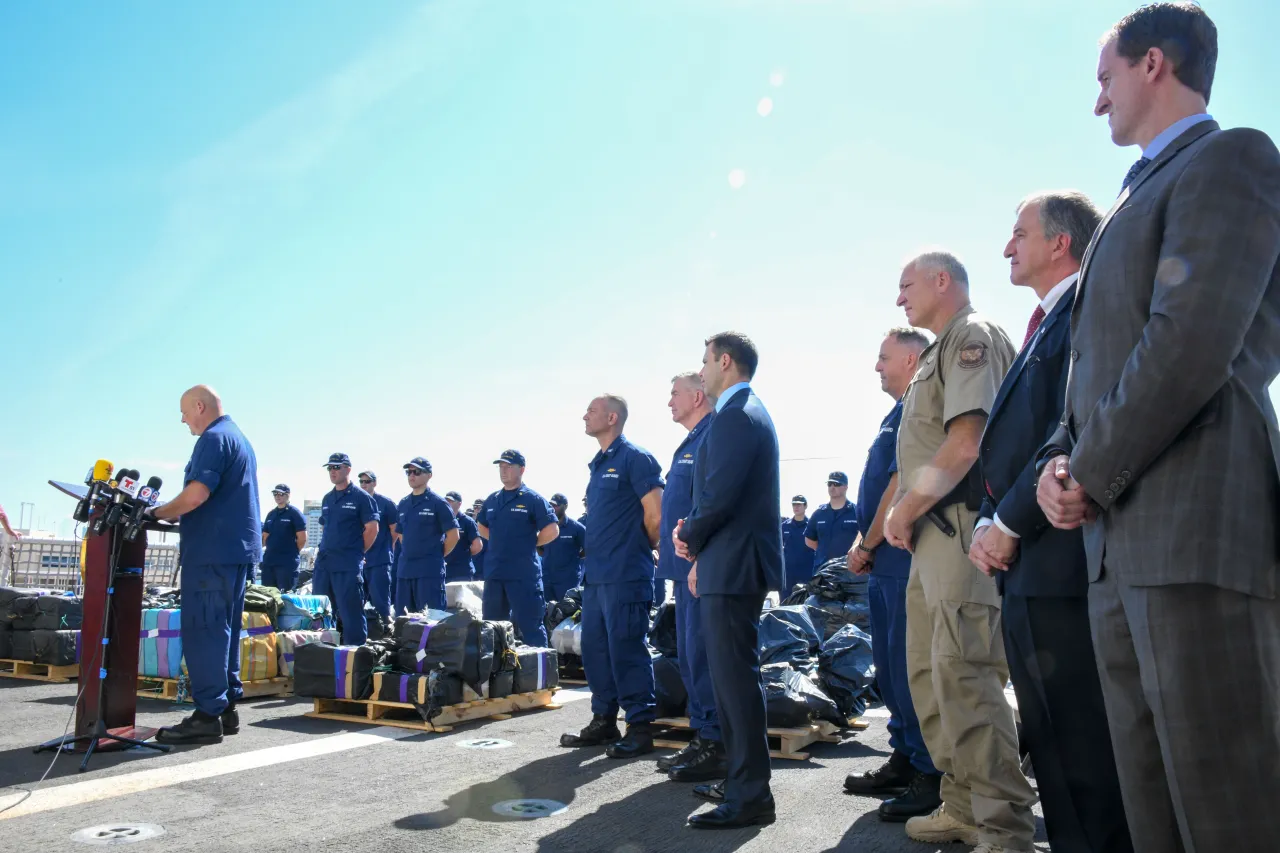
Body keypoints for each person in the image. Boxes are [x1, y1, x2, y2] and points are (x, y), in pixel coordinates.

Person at [1036, 6, 1279, 850]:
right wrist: (1060, 462)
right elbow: (1098, 368)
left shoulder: (1231, 157)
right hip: (1118, 545)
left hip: (1192, 535)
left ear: (1151, 65)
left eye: (1104, 79)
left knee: (1225, 810)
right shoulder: (1135, 193)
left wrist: (1084, 470)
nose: (1097, 102)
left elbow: (1189, 341)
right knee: (1154, 814)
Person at [972, 191, 1132, 853]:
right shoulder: (1046, 322)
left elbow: (1060, 437)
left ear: (1060, 242)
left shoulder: (1083, 313)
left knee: (1085, 764)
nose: (1008, 246)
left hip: (1059, 564)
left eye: (1019, 233)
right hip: (1031, 569)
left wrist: (1005, 522)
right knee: (1059, 760)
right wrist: (991, 519)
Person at [883, 251, 1034, 853]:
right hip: (932, 541)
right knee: (933, 677)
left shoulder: (972, 335)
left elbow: (967, 444)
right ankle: (964, 807)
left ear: (942, 281)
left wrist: (904, 508)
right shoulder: (938, 352)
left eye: (906, 285)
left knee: (968, 679)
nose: (899, 299)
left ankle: (1003, 826)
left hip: (958, 531)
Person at [674, 332, 782, 829]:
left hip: (735, 567)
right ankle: (743, 783)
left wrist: (688, 534)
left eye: (704, 362)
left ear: (724, 362)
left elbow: (720, 496)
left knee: (735, 683)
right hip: (726, 563)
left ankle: (750, 795)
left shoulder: (738, 415)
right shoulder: (735, 413)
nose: (701, 371)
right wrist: (698, 550)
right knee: (731, 681)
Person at [843, 328, 941, 821]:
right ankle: (904, 757)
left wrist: (869, 540)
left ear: (911, 358)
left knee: (910, 671)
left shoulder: (916, 408)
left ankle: (930, 771)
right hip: (884, 563)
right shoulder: (894, 412)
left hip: (903, 558)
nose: (877, 367)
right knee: (888, 667)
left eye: (884, 358)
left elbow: (903, 480)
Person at [150, 385, 260, 745]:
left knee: (205, 630)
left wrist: (156, 512)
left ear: (199, 406)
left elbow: (196, 495)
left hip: (213, 551)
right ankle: (225, 707)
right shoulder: (237, 438)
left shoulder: (213, 439)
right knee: (224, 631)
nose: (182, 419)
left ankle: (208, 714)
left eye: (184, 412)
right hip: (235, 551)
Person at [561, 395, 664, 759]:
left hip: (626, 574)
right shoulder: (598, 464)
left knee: (627, 649)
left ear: (612, 416)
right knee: (596, 650)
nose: (584, 415)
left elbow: (656, 516)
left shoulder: (635, 458)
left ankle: (639, 726)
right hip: (597, 577)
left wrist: (638, 548)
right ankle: (603, 719)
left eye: (590, 410)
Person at [655, 371, 722, 782]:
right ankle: (702, 738)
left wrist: (699, 560)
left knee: (704, 657)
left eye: (675, 393)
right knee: (690, 658)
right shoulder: (692, 440)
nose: (669, 401)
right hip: (684, 572)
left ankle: (715, 743)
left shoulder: (714, 435)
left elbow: (713, 505)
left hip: (701, 570)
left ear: (698, 396)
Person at [477, 449, 558, 645]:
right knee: (493, 629)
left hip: (523, 575)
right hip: (495, 574)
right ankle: (498, 674)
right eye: (501, 467)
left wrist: (529, 543)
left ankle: (539, 675)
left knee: (531, 627)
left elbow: (552, 529)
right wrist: (499, 541)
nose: (503, 471)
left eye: (508, 467)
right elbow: (481, 526)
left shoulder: (532, 499)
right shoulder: (493, 499)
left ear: (521, 469)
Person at [314, 453, 379, 646]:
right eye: (330, 468)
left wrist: (357, 553)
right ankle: (321, 654)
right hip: (325, 564)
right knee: (320, 613)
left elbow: (372, 529)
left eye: (337, 467)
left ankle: (355, 658)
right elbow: (326, 528)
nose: (332, 471)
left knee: (351, 614)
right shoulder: (327, 498)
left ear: (348, 469)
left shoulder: (361, 498)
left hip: (347, 565)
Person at [394, 457, 458, 614]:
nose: (411, 475)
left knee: (432, 620)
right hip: (406, 571)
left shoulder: (438, 503)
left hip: (429, 572)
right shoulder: (403, 503)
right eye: (408, 472)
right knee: (404, 621)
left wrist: (436, 555)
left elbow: (453, 535)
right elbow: (401, 535)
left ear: (429, 475)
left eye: (416, 472)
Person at [358, 470, 400, 626]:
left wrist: (388, 546)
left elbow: (394, 529)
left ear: (374, 483)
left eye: (367, 481)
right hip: (358, 559)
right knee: (357, 599)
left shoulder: (385, 503)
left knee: (379, 598)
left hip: (379, 558)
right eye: (361, 481)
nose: (364, 484)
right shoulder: (355, 501)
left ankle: (386, 627)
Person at [803, 472, 858, 573]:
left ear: (846, 487)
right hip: (823, 570)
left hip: (850, 571)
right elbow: (809, 540)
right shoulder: (819, 513)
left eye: (837, 484)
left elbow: (863, 537)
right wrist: (824, 551)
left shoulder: (856, 512)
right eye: (830, 484)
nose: (832, 487)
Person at [259, 485, 306, 591]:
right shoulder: (271, 514)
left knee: (285, 596)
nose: (277, 496)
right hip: (269, 562)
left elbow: (302, 539)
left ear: (287, 495)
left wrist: (291, 552)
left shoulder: (294, 513)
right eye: (275, 494)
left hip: (287, 563)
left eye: (280, 494)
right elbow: (265, 537)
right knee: (267, 595)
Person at [541, 493, 586, 601]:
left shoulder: (577, 528)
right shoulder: (545, 526)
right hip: (547, 579)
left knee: (568, 611)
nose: (553, 508)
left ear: (565, 506)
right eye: (551, 505)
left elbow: (588, 549)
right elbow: (539, 548)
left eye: (556, 505)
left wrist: (574, 557)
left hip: (568, 581)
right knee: (547, 613)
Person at [443, 491, 483, 583]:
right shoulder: (441, 521)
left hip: (461, 572)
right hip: (444, 571)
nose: (448, 503)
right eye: (446, 501)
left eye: (451, 501)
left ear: (459, 504)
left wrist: (462, 555)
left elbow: (478, 546)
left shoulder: (467, 521)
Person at [779, 496, 809, 594]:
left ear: (805, 506)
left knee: (805, 602)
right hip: (788, 572)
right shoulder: (784, 526)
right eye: (794, 504)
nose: (796, 507)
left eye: (799, 504)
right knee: (785, 603)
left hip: (806, 571)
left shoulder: (811, 525)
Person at [470, 498, 487, 579]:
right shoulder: (471, 521)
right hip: (474, 557)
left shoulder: (488, 521)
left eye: (479, 507)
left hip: (485, 556)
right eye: (475, 507)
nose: (476, 509)